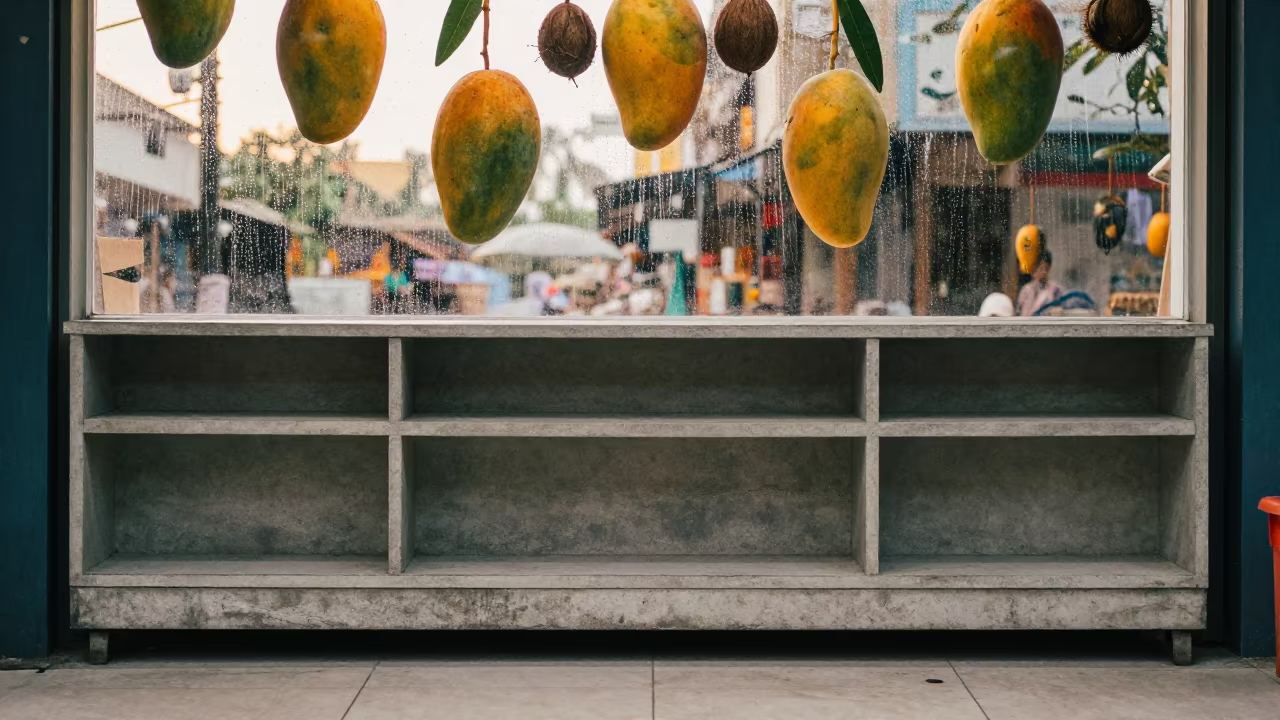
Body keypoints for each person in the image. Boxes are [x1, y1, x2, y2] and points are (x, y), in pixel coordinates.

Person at [1017, 251, 1065, 317]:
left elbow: (1059, 309)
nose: (1043, 272)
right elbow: (1020, 311)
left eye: (1046, 269)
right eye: (1041, 268)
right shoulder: (1027, 289)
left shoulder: (1055, 290)